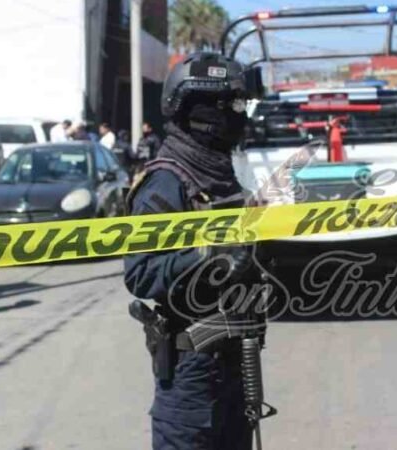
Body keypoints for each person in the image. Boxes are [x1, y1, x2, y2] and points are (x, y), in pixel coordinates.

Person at [124, 52, 259, 449]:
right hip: (191, 372)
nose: (240, 117)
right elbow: (141, 273)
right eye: (232, 107)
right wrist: (209, 256)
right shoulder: (166, 183)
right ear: (201, 112)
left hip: (238, 358)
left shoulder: (221, 175)